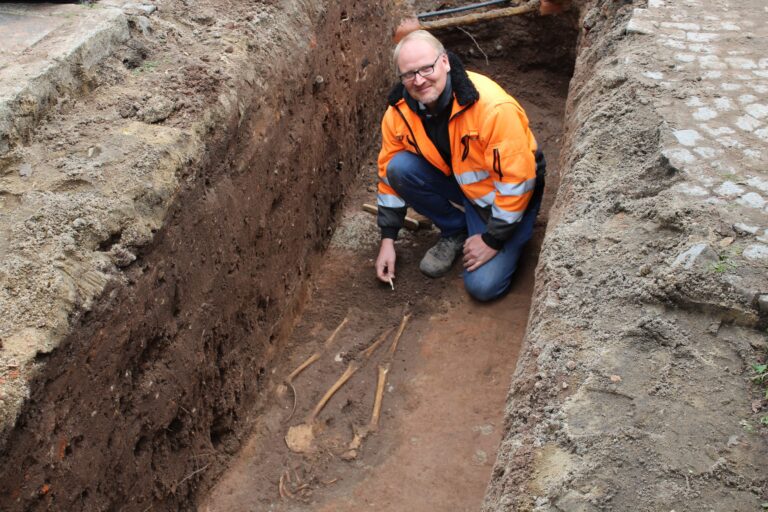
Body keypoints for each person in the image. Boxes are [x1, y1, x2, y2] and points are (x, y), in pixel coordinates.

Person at [374, 30, 545, 302]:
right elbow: (387, 175)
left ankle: (504, 231)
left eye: (426, 68)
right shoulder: (398, 113)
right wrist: (387, 240)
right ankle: (456, 229)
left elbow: (517, 181)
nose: (419, 80)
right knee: (399, 168)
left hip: (506, 195)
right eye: (409, 74)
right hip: (464, 184)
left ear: (445, 62)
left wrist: (492, 239)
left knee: (483, 286)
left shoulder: (491, 108)